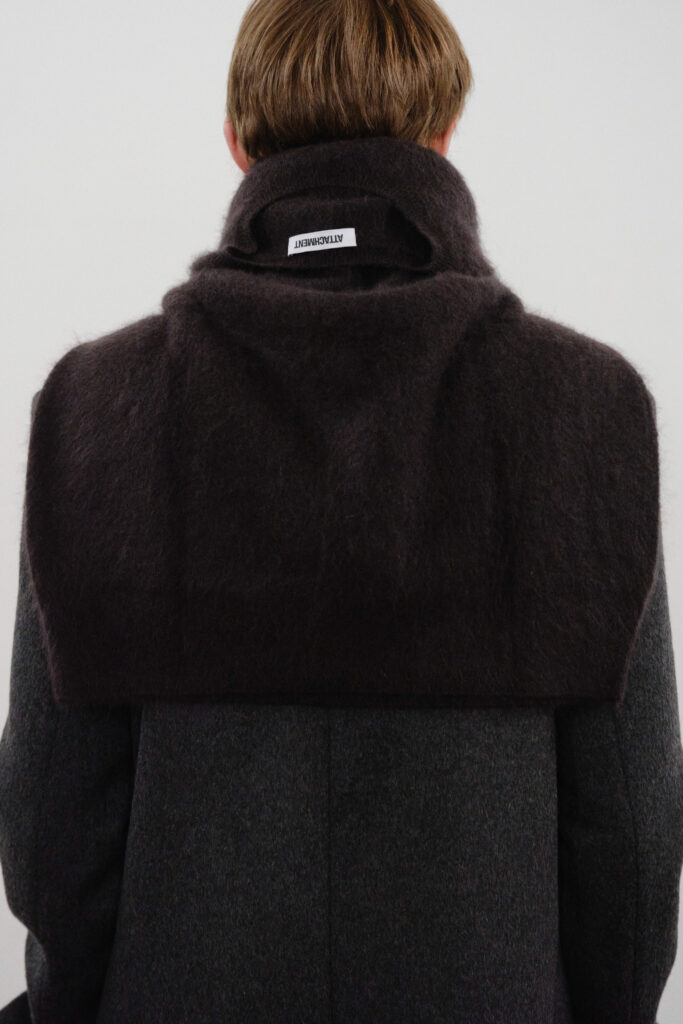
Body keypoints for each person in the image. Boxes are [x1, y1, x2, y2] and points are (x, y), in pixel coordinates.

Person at [1, 1, 682, 1022]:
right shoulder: (583, 407)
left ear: (236, 142)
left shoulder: (98, 407)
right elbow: (629, 838)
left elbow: (54, 823)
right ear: (443, 134)